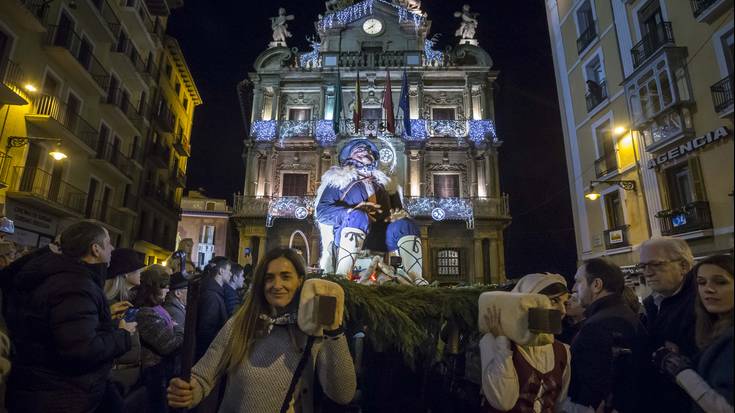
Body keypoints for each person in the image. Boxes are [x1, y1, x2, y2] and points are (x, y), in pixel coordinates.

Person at [166, 247, 356, 411]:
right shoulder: (242, 323)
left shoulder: (313, 332)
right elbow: (203, 376)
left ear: (300, 280)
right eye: (269, 278)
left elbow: (343, 394)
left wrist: (333, 331)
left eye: (286, 277)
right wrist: (188, 391)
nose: (277, 285)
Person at [5, 221, 136, 413]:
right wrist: (122, 335)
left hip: (45, 390)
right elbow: (80, 350)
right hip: (59, 395)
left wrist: (108, 324)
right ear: (95, 249)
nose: (112, 248)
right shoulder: (75, 285)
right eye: (108, 243)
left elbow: (69, 330)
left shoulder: (66, 277)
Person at [315, 138, 427, 285]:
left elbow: (397, 211)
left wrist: (397, 216)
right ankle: (343, 276)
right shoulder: (338, 180)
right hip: (347, 232)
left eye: (368, 151)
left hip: (378, 236)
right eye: (359, 150)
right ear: (348, 157)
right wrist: (350, 211)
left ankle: (416, 278)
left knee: (406, 224)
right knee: (358, 215)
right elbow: (322, 212)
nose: (366, 152)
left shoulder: (385, 185)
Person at [480, 273, 571, 412]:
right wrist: (502, 342)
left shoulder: (562, 351)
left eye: (565, 303)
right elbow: (503, 401)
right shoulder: (495, 342)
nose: (563, 310)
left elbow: (559, 403)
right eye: (554, 301)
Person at [565, 258, 647, 413]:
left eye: (578, 281)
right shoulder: (619, 313)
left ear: (596, 285)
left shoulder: (601, 324)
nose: (574, 288)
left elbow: (594, 387)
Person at [654, 254, 733, 413]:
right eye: (701, 282)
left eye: (720, 282)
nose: (708, 289)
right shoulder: (714, 330)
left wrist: (681, 371)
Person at [638, 237, 697, 412]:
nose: (647, 272)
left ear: (683, 267)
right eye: (643, 266)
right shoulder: (652, 303)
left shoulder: (702, 304)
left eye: (656, 264)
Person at [133, 265, 184, 413]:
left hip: (162, 374)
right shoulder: (146, 313)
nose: (168, 290)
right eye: (164, 287)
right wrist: (178, 329)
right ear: (153, 289)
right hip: (153, 376)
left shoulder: (157, 309)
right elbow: (170, 344)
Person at [196, 257, 231, 360]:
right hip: (207, 355)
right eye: (229, 270)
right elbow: (205, 331)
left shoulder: (215, 292)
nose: (231, 274)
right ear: (221, 271)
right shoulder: (212, 296)